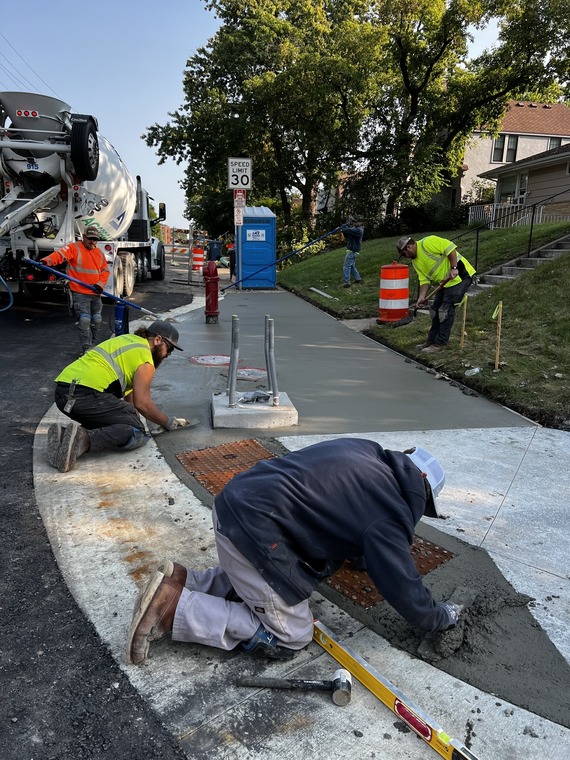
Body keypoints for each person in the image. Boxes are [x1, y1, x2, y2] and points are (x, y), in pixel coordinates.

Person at [127, 438, 463, 665]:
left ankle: (186, 581)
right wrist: (439, 618)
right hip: (253, 532)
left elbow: (343, 508)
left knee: (267, 581)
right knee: (292, 634)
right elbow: (401, 585)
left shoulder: (366, 451)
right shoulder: (389, 514)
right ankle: (173, 607)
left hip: (236, 503)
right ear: (424, 498)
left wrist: (365, 554)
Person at [46, 321, 191, 473]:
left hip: (63, 395)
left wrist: (131, 415)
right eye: (170, 348)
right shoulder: (146, 360)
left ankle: (64, 437)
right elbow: (143, 404)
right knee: (136, 431)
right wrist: (167, 422)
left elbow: (131, 401)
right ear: (158, 340)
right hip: (86, 396)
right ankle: (81, 440)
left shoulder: (127, 341)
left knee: (125, 421)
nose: (168, 354)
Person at [396, 235, 476, 352]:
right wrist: (422, 297)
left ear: (408, 247)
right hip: (444, 282)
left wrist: (454, 267)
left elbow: (450, 248)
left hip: (461, 276)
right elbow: (424, 280)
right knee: (435, 310)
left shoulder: (428, 242)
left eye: (404, 254)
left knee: (445, 310)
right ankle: (431, 340)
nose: (405, 257)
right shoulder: (416, 262)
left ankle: (440, 343)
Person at [40, 226, 110, 355]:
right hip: (79, 293)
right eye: (90, 239)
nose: (92, 242)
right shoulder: (74, 248)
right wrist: (46, 261)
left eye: (95, 239)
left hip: (95, 293)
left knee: (97, 320)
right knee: (84, 320)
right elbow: (60, 255)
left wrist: (100, 284)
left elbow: (105, 271)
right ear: (84, 237)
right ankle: (87, 348)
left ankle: (92, 343)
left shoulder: (99, 253)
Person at [341, 220, 364, 288]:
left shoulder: (359, 230)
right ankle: (358, 278)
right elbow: (347, 234)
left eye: (356, 222)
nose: (354, 223)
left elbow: (348, 231)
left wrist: (343, 228)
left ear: (360, 222)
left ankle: (346, 282)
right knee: (351, 266)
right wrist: (343, 229)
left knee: (346, 266)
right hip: (353, 250)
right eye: (353, 222)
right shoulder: (355, 229)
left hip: (352, 251)